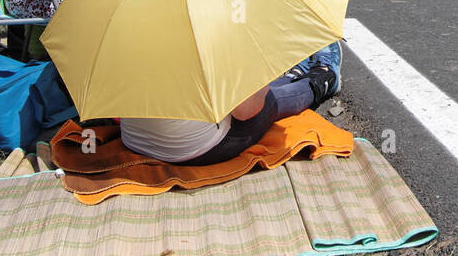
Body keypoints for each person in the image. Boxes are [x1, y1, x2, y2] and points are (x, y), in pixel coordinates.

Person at [121, 43, 342, 166]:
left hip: (134, 140)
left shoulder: (128, 22)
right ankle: (323, 79)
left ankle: (296, 74)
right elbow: (247, 111)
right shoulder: (215, 30)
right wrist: (261, 69)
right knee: (269, 101)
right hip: (193, 149)